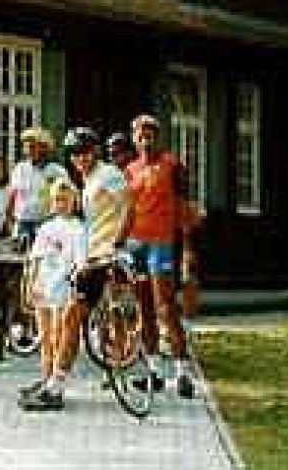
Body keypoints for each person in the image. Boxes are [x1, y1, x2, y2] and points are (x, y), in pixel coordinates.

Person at [21, 126, 129, 412]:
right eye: (74, 154)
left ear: (94, 151)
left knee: (73, 317)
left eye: (84, 152)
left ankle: (57, 386)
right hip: (89, 257)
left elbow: (128, 208)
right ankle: (53, 383)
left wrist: (117, 243)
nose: (79, 158)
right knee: (69, 317)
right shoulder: (87, 179)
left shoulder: (109, 175)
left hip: (103, 257)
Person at [125, 113, 195, 399]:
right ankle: (153, 370)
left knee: (166, 307)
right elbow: (126, 209)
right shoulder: (130, 170)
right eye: (140, 135)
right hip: (135, 243)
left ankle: (182, 372)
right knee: (144, 309)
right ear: (134, 139)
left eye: (149, 134)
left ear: (157, 137)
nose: (145, 140)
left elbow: (184, 206)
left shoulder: (172, 165)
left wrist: (189, 247)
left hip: (162, 244)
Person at [20, 178, 86, 412]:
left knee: (59, 337)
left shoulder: (78, 229)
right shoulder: (46, 227)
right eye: (57, 199)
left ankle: (56, 386)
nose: (61, 203)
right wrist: (30, 283)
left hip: (62, 289)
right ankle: (45, 379)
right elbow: (36, 258)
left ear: (74, 202)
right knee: (45, 338)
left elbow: (80, 263)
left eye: (66, 199)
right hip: (43, 287)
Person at [5, 127, 68, 243]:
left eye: (33, 147)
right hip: (23, 222)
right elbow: (12, 195)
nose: (29, 151)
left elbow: (65, 199)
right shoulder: (20, 168)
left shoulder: (57, 171)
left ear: (45, 148)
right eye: (27, 147)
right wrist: (9, 221)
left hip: (47, 221)